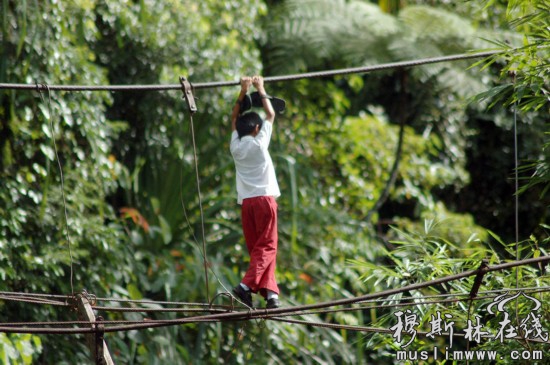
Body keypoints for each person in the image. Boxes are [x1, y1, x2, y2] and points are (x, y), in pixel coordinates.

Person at [229, 75, 281, 309]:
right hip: (264, 201)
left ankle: (271, 295)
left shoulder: (236, 147)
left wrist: (243, 91)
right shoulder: (260, 144)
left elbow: (233, 119)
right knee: (267, 247)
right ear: (257, 128)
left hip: (247, 204)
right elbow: (271, 114)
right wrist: (261, 89)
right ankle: (245, 286)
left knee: (259, 250)